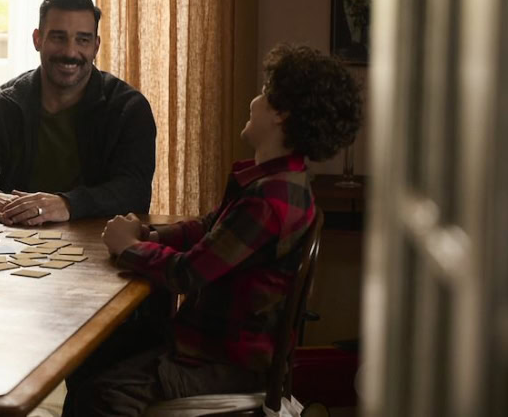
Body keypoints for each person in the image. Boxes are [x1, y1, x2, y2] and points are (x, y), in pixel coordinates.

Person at [63, 44, 363, 416]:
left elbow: (187, 274)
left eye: (265, 94)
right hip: (217, 350)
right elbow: (210, 228)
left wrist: (128, 247)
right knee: (97, 358)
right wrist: (152, 236)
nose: (254, 101)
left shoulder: (269, 201)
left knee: (102, 393)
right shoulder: (275, 182)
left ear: (281, 115)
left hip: (227, 365)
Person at [0, 0, 156, 225]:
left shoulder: (129, 108)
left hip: (101, 243)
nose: (70, 52)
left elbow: (134, 190)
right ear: (37, 39)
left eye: (82, 40)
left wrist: (67, 204)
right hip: (15, 240)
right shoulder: (4, 103)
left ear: (95, 46)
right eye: (58, 37)